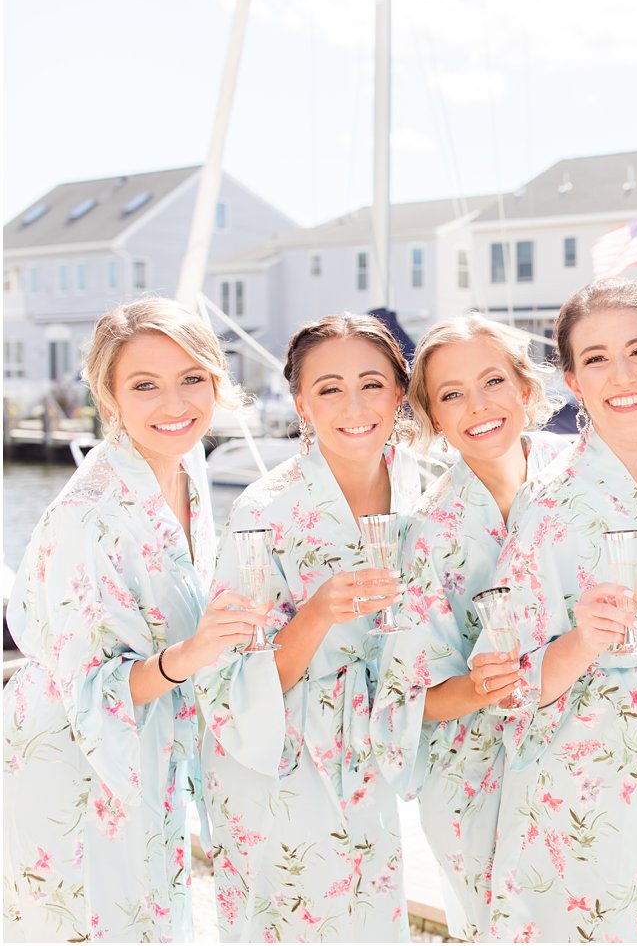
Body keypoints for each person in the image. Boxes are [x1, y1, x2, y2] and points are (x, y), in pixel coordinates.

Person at [3, 298, 262, 941]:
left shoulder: (187, 471)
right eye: (145, 385)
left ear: (215, 380)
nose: (174, 404)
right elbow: (88, 685)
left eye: (191, 378)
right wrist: (193, 654)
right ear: (110, 396)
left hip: (147, 742)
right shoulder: (86, 514)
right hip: (71, 750)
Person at [482, 279, 637, 941]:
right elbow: (505, 682)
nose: (623, 374)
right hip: (591, 773)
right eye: (597, 358)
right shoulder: (548, 502)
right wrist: (583, 639)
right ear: (574, 380)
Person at [195, 313, 421, 942]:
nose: (354, 405)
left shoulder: (417, 485)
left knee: (369, 920)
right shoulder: (262, 510)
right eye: (329, 388)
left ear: (400, 392)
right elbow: (232, 680)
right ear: (300, 403)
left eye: (372, 384)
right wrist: (319, 610)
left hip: (368, 745)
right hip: (276, 753)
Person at [371, 314, 566, 940]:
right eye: (451, 395)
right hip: (476, 781)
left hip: (584, 759)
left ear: (526, 388)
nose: (477, 406)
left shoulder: (580, 481)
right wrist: (485, 686)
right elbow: (411, 702)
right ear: (432, 417)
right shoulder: (430, 533)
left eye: (492, 381)